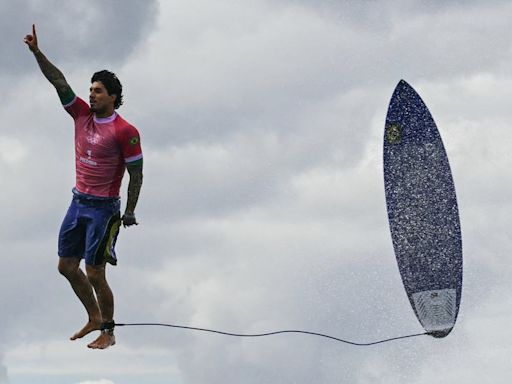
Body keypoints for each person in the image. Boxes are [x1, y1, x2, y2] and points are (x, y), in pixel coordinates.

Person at [24, 25, 143, 349]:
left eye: (98, 91)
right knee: (66, 266)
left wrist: (129, 211)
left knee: (94, 272)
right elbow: (58, 81)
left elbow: (137, 174)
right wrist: (37, 53)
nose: (91, 94)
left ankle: (108, 330)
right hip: (78, 202)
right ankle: (93, 316)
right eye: (90, 89)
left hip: (104, 210)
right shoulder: (80, 114)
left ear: (113, 97)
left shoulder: (125, 130)